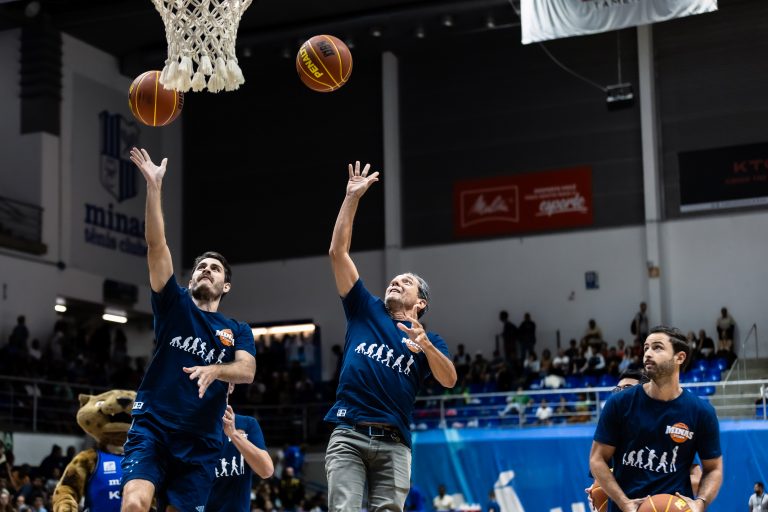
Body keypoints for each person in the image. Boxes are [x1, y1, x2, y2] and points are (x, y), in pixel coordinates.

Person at [120, 148, 257, 512]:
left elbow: (247, 370)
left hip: (200, 441)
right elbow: (156, 245)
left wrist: (216, 370)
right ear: (191, 278)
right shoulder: (174, 303)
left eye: (215, 268)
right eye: (200, 267)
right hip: (154, 425)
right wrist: (154, 187)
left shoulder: (237, 329)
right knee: (134, 504)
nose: (206, 270)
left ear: (226, 285)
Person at [324, 161, 457, 511]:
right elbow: (338, 253)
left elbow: (448, 380)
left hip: (395, 441)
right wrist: (352, 198)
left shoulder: (430, 340)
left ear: (421, 302)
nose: (395, 281)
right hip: (349, 431)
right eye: (394, 280)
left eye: (406, 282)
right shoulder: (364, 308)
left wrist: (425, 345)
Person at [589, 326, 723, 512]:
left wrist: (701, 502)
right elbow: (597, 459)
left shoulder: (701, 411)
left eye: (657, 347)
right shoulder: (619, 403)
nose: (648, 353)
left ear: (679, 357)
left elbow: (713, 468)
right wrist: (623, 501)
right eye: (646, 348)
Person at [206, 386, 274, 512]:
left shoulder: (248, 424)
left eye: (220, 379)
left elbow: (266, 471)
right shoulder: (190, 428)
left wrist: (234, 434)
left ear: (231, 386)